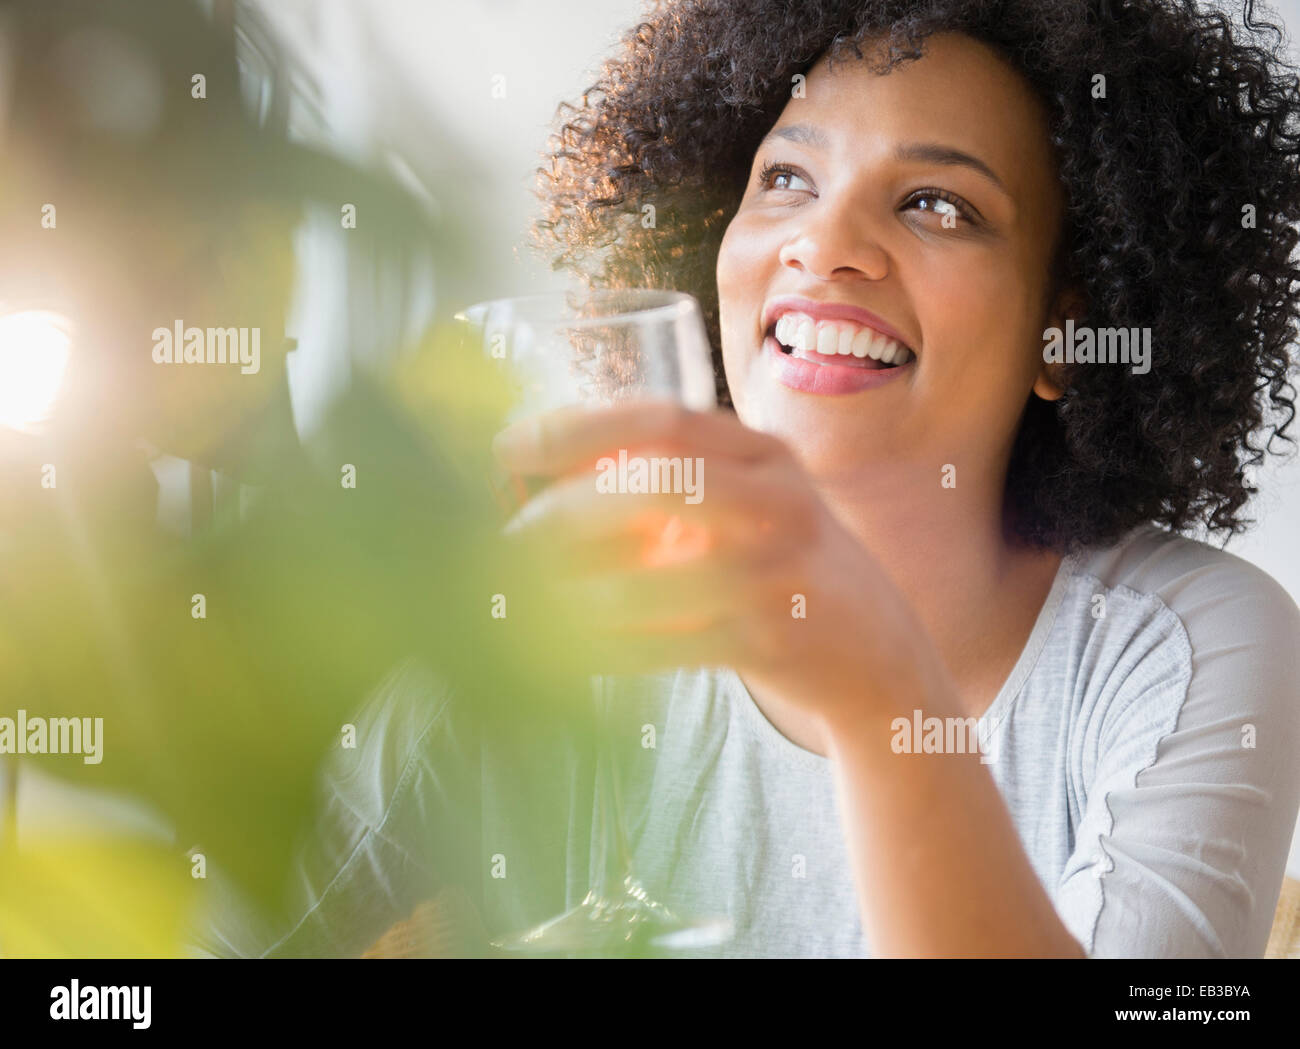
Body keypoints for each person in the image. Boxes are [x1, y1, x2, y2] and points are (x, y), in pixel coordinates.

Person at [206, 0, 1300, 958]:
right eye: (785, 178)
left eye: (937, 205)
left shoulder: (1186, 643)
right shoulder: (542, 587)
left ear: (1068, 331)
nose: (824, 243)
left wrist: (878, 684)